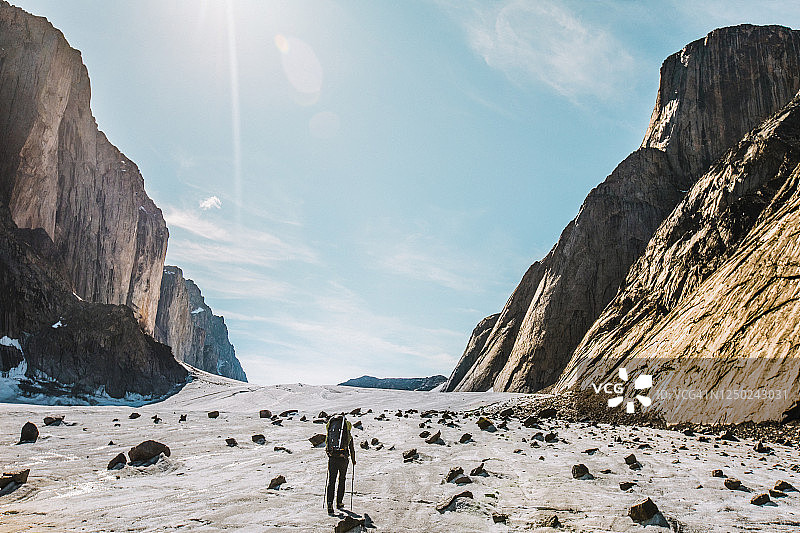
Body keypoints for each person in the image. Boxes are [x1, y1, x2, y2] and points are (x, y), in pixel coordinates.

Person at [324, 413, 356, 514]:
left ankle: (329, 504)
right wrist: (353, 460)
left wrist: (330, 454)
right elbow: (352, 448)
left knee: (331, 481)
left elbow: (326, 443)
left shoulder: (331, 431)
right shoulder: (347, 434)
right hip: (343, 459)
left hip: (333, 458)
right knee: (342, 479)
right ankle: (339, 502)